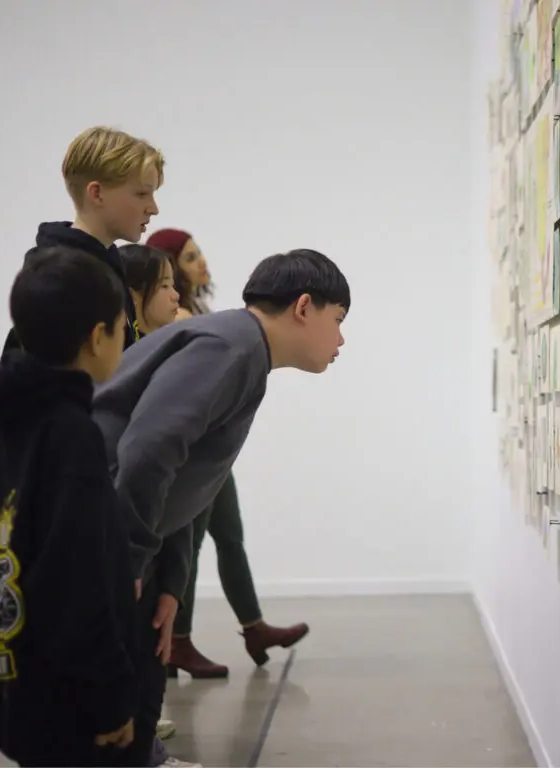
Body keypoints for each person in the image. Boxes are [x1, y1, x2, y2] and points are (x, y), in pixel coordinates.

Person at [92, 248, 349, 765]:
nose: (341, 339)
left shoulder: (241, 348)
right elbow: (147, 451)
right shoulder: (230, 349)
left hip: (123, 537)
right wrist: (132, 560)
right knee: (103, 695)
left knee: (141, 675)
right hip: (97, 535)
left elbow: (184, 482)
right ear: (304, 307)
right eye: (338, 321)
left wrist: (170, 578)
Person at [145, 229, 309, 678]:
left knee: (230, 538)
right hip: (193, 457)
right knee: (189, 546)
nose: (203, 264)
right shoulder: (179, 318)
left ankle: (253, 626)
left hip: (212, 455)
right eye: (192, 257)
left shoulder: (195, 314)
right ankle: (178, 641)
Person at [0, 247, 138, 766]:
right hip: (71, 707)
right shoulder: (72, 435)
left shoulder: (13, 419)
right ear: (98, 335)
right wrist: (109, 698)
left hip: (17, 686)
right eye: (124, 326)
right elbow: (75, 580)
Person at [118, 244, 197, 768]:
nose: (176, 293)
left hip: (158, 542)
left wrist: (174, 580)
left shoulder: (163, 352)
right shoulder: (127, 365)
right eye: (165, 284)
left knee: (149, 656)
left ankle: (149, 749)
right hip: (132, 545)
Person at [2, 125, 163, 357]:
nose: (153, 208)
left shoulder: (106, 264)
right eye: (141, 194)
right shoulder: (60, 280)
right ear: (97, 194)